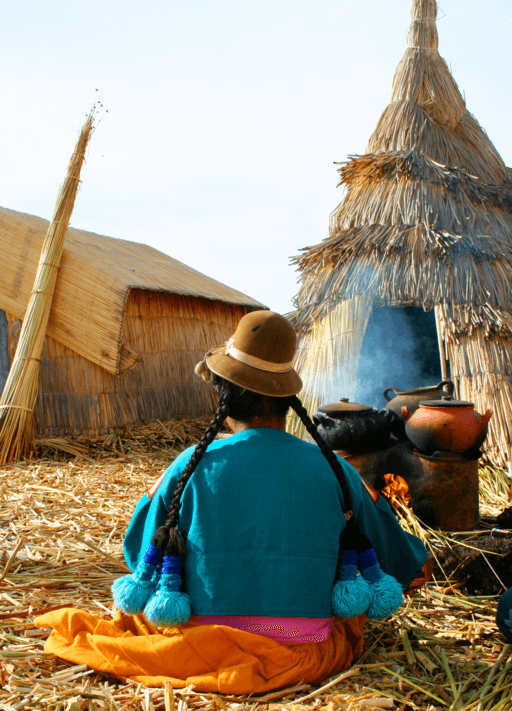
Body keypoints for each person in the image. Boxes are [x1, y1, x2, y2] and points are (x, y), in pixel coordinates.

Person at [36, 310, 430, 694]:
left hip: (199, 641)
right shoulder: (336, 470)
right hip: (305, 650)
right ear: (287, 400)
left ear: (224, 400)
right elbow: (395, 562)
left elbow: (139, 555)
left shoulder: (189, 466)